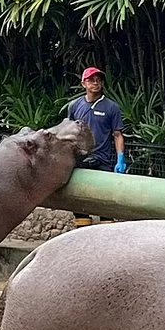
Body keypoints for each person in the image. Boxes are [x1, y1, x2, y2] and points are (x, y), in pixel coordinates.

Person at [65, 66, 127, 227]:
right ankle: (83, 236)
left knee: (105, 206)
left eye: (98, 79)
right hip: (80, 161)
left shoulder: (111, 107)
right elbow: (69, 131)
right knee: (78, 203)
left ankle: (105, 242)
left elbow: (117, 135)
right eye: (91, 79)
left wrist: (120, 159)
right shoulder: (74, 106)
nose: (95, 82)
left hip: (102, 162)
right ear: (83, 83)